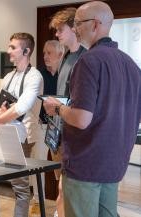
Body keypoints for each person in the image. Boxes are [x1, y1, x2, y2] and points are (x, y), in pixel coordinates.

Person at [43, 1, 141, 217]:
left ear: (95, 24)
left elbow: (81, 119)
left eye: (78, 23)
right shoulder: (131, 65)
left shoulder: (88, 61)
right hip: (114, 164)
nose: (75, 28)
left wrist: (57, 107)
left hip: (85, 164)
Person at [0, 32, 44, 217]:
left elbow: (22, 107)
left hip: (21, 137)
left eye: (13, 47)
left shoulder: (35, 76)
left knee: (20, 187)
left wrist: (0, 117)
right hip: (2, 134)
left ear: (26, 51)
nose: (8, 50)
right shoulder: (9, 76)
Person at [47, 8, 86, 217]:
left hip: (72, 132)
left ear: (73, 28)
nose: (57, 34)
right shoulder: (66, 58)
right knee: (61, 189)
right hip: (58, 131)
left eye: (60, 29)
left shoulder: (85, 58)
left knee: (66, 190)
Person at [30, 40, 64, 217]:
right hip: (42, 125)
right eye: (44, 53)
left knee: (61, 167)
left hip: (60, 127)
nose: (45, 56)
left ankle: (61, 205)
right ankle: (37, 200)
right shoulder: (39, 74)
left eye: (49, 53)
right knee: (38, 164)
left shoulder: (66, 74)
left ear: (60, 54)